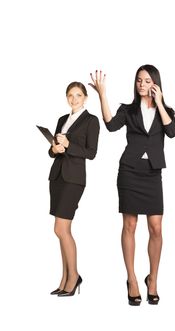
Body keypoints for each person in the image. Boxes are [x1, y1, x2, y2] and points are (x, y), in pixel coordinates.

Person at [89, 65, 175, 306]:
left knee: (156, 227)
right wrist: (102, 94)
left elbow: (172, 132)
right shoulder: (128, 110)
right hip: (129, 172)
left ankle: (154, 280)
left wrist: (159, 102)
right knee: (129, 224)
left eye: (147, 80)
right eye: (139, 80)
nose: (141, 84)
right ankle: (132, 279)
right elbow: (110, 125)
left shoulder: (165, 111)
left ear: (155, 83)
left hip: (152, 173)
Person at [48, 82, 100, 297]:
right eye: (70, 95)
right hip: (57, 176)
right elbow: (53, 152)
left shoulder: (91, 121)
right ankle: (64, 278)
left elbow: (91, 152)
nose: (74, 99)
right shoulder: (62, 119)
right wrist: (55, 148)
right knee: (63, 231)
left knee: (60, 229)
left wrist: (69, 145)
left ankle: (74, 276)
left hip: (74, 179)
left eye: (78, 95)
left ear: (85, 97)